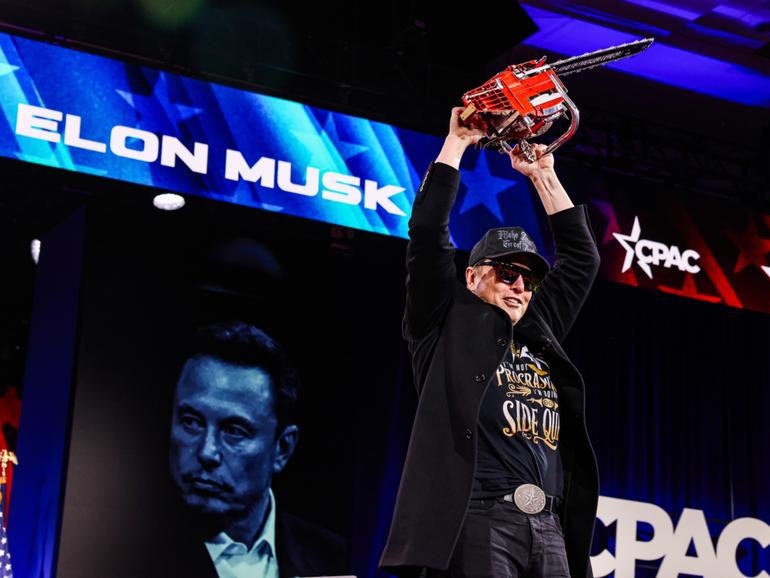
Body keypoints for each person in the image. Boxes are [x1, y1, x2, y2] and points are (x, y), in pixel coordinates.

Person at [379, 108, 601, 578]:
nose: (520, 286)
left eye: (529, 279)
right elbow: (427, 236)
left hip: (548, 526)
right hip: (479, 518)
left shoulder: (538, 329)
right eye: (507, 273)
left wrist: (543, 176)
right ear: (473, 275)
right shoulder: (443, 321)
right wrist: (456, 143)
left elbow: (582, 259)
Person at [165, 321, 347, 578]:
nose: (207, 452)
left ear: (283, 449)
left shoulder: (335, 560)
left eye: (234, 431)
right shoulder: (117, 546)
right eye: (192, 422)